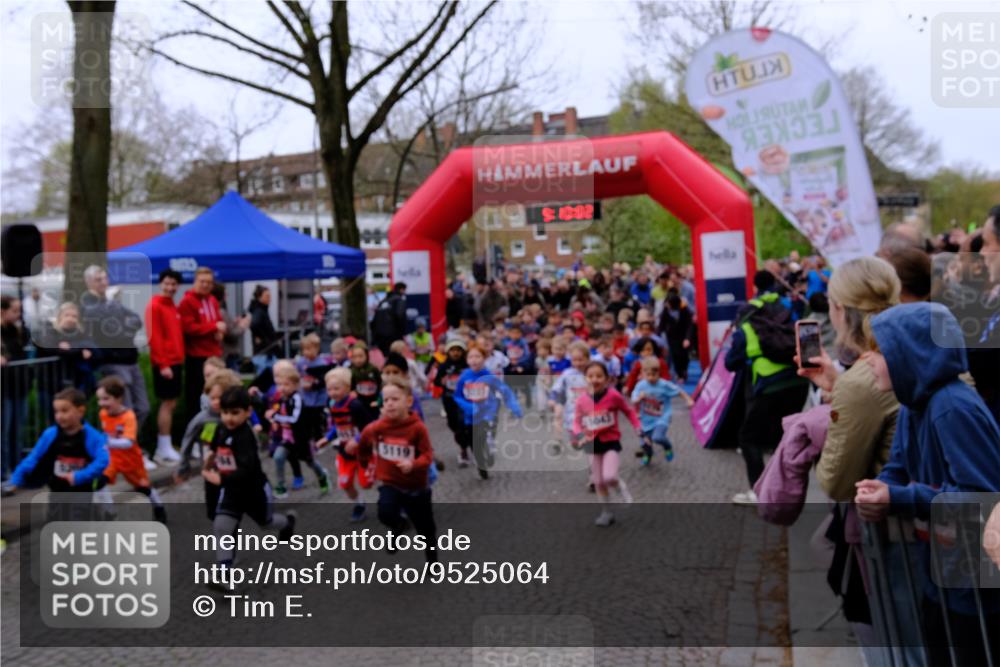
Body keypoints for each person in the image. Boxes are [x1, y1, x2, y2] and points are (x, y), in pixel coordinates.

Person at [855, 302, 1000, 667]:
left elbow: (983, 497)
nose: (868, 360)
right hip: (944, 572)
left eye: (879, 351)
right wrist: (880, 489)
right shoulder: (913, 403)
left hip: (977, 585)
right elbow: (899, 465)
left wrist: (900, 497)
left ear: (912, 352)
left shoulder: (952, 407)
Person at [725, 270, 809, 505]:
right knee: (782, 435)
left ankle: (760, 492)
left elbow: (730, 362)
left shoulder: (748, 324)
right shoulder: (787, 309)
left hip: (769, 384)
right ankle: (788, 489)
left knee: (748, 438)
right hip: (799, 381)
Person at [203, 386, 297, 583]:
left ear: (248, 412)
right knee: (221, 526)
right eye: (225, 412)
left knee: (266, 523)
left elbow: (246, 470)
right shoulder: (221, 428)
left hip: (253, 491)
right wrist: (211, 458)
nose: (229, 418)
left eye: (235, 413)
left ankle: (287, 523)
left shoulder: (246, 437)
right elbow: (216, 447)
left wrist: (220, 479)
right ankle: (225, 575)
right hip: (232, 492)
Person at [356, 377, 438, 563]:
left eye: (395, 399)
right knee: (385, 512)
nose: (390, 404)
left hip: (417, 486)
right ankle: (399, 526)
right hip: (391, 483)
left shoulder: (417, 428)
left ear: (408, 401)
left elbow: (427, 456)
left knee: (425, 529)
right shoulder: (376, 428)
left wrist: (413, 464)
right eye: (385, 400)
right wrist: (364, 463)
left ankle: (432, 561)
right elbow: (363, 444)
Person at [79, 265, 150, 444]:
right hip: (113, 362)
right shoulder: (88, 303)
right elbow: (108, 330)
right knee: (126, 408)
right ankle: (126, 450)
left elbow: (136, 320)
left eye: (105, 278)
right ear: (89, 283)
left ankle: (131, 445)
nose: (104, 282)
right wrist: (122, 326)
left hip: (131, 359)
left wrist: (122, 328)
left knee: (143, 408)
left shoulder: (112, 302)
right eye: (98, 279)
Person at [573, 360, 641, 526]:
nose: (594, 379)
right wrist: (579, 434)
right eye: (590, 376)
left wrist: (637, 427)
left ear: (607, 379)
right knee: (598, 481)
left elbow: (628, 411)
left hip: (610, 441)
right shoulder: (581, 400)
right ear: (585, 378)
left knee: (609, 476)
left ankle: (620, 488)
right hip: (591, 443)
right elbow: (576, 421)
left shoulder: (614, 396)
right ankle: (607, 512)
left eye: (599, 376)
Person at [7, 388, 109, 494]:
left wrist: (80, 476)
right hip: (57, 490)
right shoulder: (50, 434)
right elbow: (34, 457)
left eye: (64, 411)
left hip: (83, 490)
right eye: (56, 411)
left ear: (80, 411)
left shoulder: (92, 436)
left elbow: (102, 460)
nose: (59, 416)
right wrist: (17, 478)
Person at [96, 377, 166, 523]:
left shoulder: (128, 416)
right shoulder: (103, 413)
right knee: (100, 481)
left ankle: (158, 507)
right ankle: (110, 513)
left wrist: (108, 441)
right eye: (99, 399)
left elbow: (128, 442)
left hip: (130, 458)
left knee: (142, 487)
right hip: (112, 458)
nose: (101, 403)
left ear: (118, 398)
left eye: (106, 399)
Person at [454, 343, 523, 480]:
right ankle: (481, 463)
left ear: (484, 358)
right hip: (471, 416)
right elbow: (458, 396)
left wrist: (515, 407)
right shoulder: (464, 376)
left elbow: (504, 391)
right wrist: (469, 407)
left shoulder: (489, 376)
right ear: (467, 360)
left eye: (477, 356)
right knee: (475, 443)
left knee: (485, 437)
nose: (474, 360)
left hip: (487, 413)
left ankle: (487, 453)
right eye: (471, 357)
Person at [317, 367, 375, 522]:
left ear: (348, 388)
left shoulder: (355, 405)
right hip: (345, 452)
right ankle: (359, 504)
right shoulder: (333, 405)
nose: (333, 392)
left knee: (366, 483)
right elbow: (337, 425)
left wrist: (356, 440)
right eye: (329, 389)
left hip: (362, 451)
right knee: (344, 483)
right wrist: (327, 438)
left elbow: (370, 427)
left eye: (337, 388)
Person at [266, 363, 330, 498]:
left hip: (300, 438)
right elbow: (279, 412)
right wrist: (272, 417)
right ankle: (281, 486)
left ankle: (322, 476)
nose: (282, 388)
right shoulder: (283, 398)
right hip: (288, 438)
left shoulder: (297, 399)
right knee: (278, 457)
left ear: (295, 385)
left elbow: (294, 418)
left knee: (310, 461)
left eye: (286, 385)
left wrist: (276, 416)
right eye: (280, 384)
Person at [145, 268, 185, 463]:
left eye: (173, 284)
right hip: (165, 363)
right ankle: (163, 447)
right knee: (167, 403)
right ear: (161, 284)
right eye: (167, 283)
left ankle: (165, 444)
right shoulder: (155, 305)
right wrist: (163, 364)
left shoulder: (172, 306)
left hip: (175, 361)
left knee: (172, 403)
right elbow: (155, 337)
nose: (170, 287)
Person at [179, 267, 226, 424]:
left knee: (216, 394)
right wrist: (214, 327)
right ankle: (194, 432)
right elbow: (188, 328)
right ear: (195, 282)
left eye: (209, 282)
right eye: (202, 282)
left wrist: (220, 330)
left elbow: (218, 321)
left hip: (214, 355)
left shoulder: (212, 300)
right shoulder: (187, 301)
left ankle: (214, 430)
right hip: (197, 357)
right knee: (196, 397)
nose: (206, 285)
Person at [631, 356, 693, 466]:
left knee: (657, 437)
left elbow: (678, 390)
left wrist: (688, 399)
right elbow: (634, 400)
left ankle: (667, 446)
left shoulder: (664, 384)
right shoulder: (640, 386)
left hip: (662, 417)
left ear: (658, 372)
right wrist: (638, 399)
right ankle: (648, 454)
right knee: (645, 442)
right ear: (642, 373)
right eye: (647, 375)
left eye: (653, 375)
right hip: (645, 419)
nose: (650, 378)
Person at [1, 296, 29, 482]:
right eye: (15, 311)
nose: (18, 314)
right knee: (3, 433)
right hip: (4, 391)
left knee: (16, 433)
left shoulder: (17, 330)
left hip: (19, 388)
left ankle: (16, 472)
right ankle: (3, 475)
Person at [436, 339, 470, 467]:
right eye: (453, 350)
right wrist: (441, 381)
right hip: (449, 399)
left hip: (465, 399)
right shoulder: (444, 366)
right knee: (453, 424)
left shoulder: (467, 365)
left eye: (458, 350)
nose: (455, 353)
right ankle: (462, 441)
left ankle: (464, 450)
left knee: (463, 423)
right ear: (448, 352)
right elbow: (436, 381)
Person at [249, 285, 280, 373]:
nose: (269, 299)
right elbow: (254, 325)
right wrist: (263, 338)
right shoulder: (259, 311)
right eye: (267, 296)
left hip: (266, 352)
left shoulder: (262, 310)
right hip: (264, 353)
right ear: (259, 297)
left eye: (270, 296)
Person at [371, 282, 408, 355]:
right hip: (393, 336)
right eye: (404, 290)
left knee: (384, 357)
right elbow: (399, 315)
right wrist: (402, 333)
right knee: (395, 357)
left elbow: (374, 319)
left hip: (379, 336)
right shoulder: (399, 300)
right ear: (401, 290)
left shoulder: (383, 301)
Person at [349, 342, 382, 421]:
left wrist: (379, 400)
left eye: (360, 356)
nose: (358, 360)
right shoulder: (350, 370)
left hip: (373, 402)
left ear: (367, 355)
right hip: (360, 403)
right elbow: (350, 387)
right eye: (355, 357)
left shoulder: (373, 369)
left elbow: (380, 384)